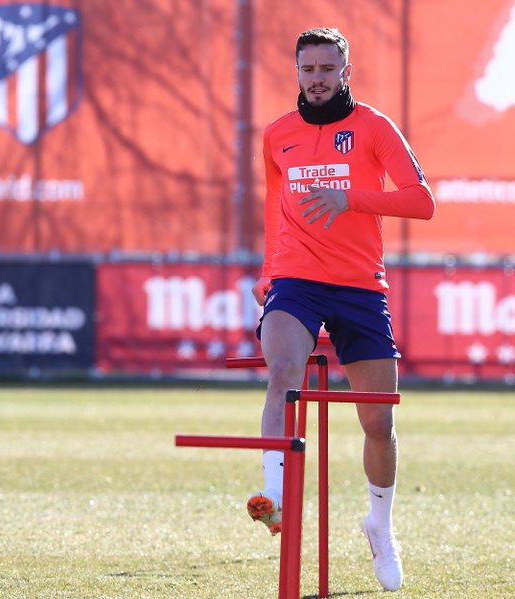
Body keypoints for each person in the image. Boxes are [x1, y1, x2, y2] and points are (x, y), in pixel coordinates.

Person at [246, 27, 434, 592]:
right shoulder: (278, 134)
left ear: (345, 72)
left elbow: (421, 201)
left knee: (379, 421)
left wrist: (349, 198)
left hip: (359, 286)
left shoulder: (374, 127)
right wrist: (267, 271)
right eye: (308, 70)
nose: (318, 78)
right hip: (296, 280)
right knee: (282, 372)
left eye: (328, 68)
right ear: (297, 73)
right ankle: (273, 497)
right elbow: (274, 208)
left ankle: (379, 524)